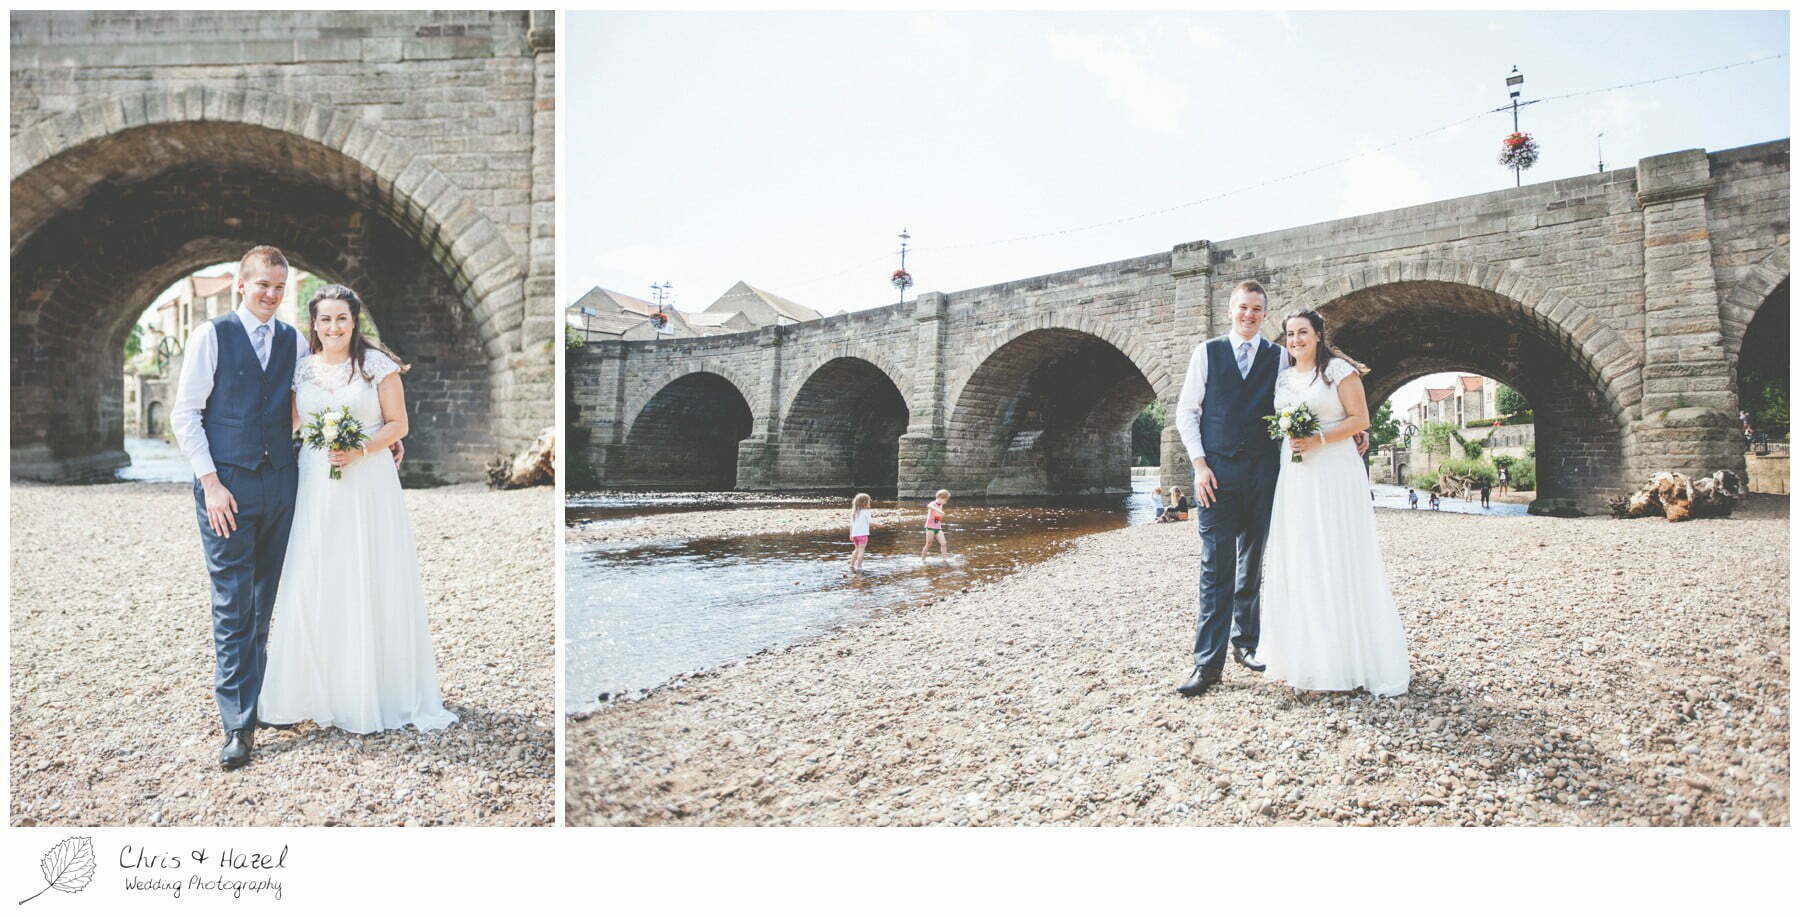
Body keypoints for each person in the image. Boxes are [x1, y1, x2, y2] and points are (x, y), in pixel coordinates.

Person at [173, 246, 404, 769]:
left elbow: (323, 398)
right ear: (241, 284)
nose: (271, 295)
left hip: (283, 484)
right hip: (227, 488)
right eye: (263, 286)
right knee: (233, 604)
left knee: (271, 598)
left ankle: (265, 700)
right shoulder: (211, 337)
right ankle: (237, 724)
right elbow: (185, 415)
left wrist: (379, 437)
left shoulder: (294, 342)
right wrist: (210, 484)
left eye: (279, 287)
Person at [257, 283, 456, 736]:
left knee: (367, 571)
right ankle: (311, 690)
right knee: (315, 574)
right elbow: (292, 423)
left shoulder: (375, 366)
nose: (333, 327)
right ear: (314, 324)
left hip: (366, 482)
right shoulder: (302, 370)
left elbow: (398, 423)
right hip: (315, 481)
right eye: (325, 319)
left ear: (354, 321)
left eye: (341, 319)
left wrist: (361, 448)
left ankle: (372, 689)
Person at [1257, 310, 1410, 697]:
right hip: (1296, 477)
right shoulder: (1283, 378)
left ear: (1319, 334)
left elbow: (1360, 419)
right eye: (1290, 334)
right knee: (1302, 557)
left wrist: (1319, 439)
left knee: (1335, 554)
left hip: (1334, 474)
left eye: (1303, 333)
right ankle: (1304, 659)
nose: (1295, 340)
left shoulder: (1339, 371)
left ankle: (1345, 661)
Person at [920, 489, 950, 560]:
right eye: (945, 500)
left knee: (943, 543)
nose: (946, 502)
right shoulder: (933, 503)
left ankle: (945, 560)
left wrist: (940, 516)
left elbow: (937, 519)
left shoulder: (941, 505)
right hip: (930, 527)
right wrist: (939, 511)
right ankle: (922, 560)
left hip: (938, 528)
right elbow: (929, 506)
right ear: (940, 498)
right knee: (929, 544)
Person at [847, 492, 873, 573]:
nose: (869, 503)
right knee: (861, 551)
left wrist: (851, 534)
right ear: (865, 502)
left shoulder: (854, 512)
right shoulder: (866, 511)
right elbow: (870, 523)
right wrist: (880, 525)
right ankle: (859, 566)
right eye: (868, 501)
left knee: (856, 549)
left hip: (855, 534)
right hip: (862, 534)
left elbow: (851, 524)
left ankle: (851, 565)